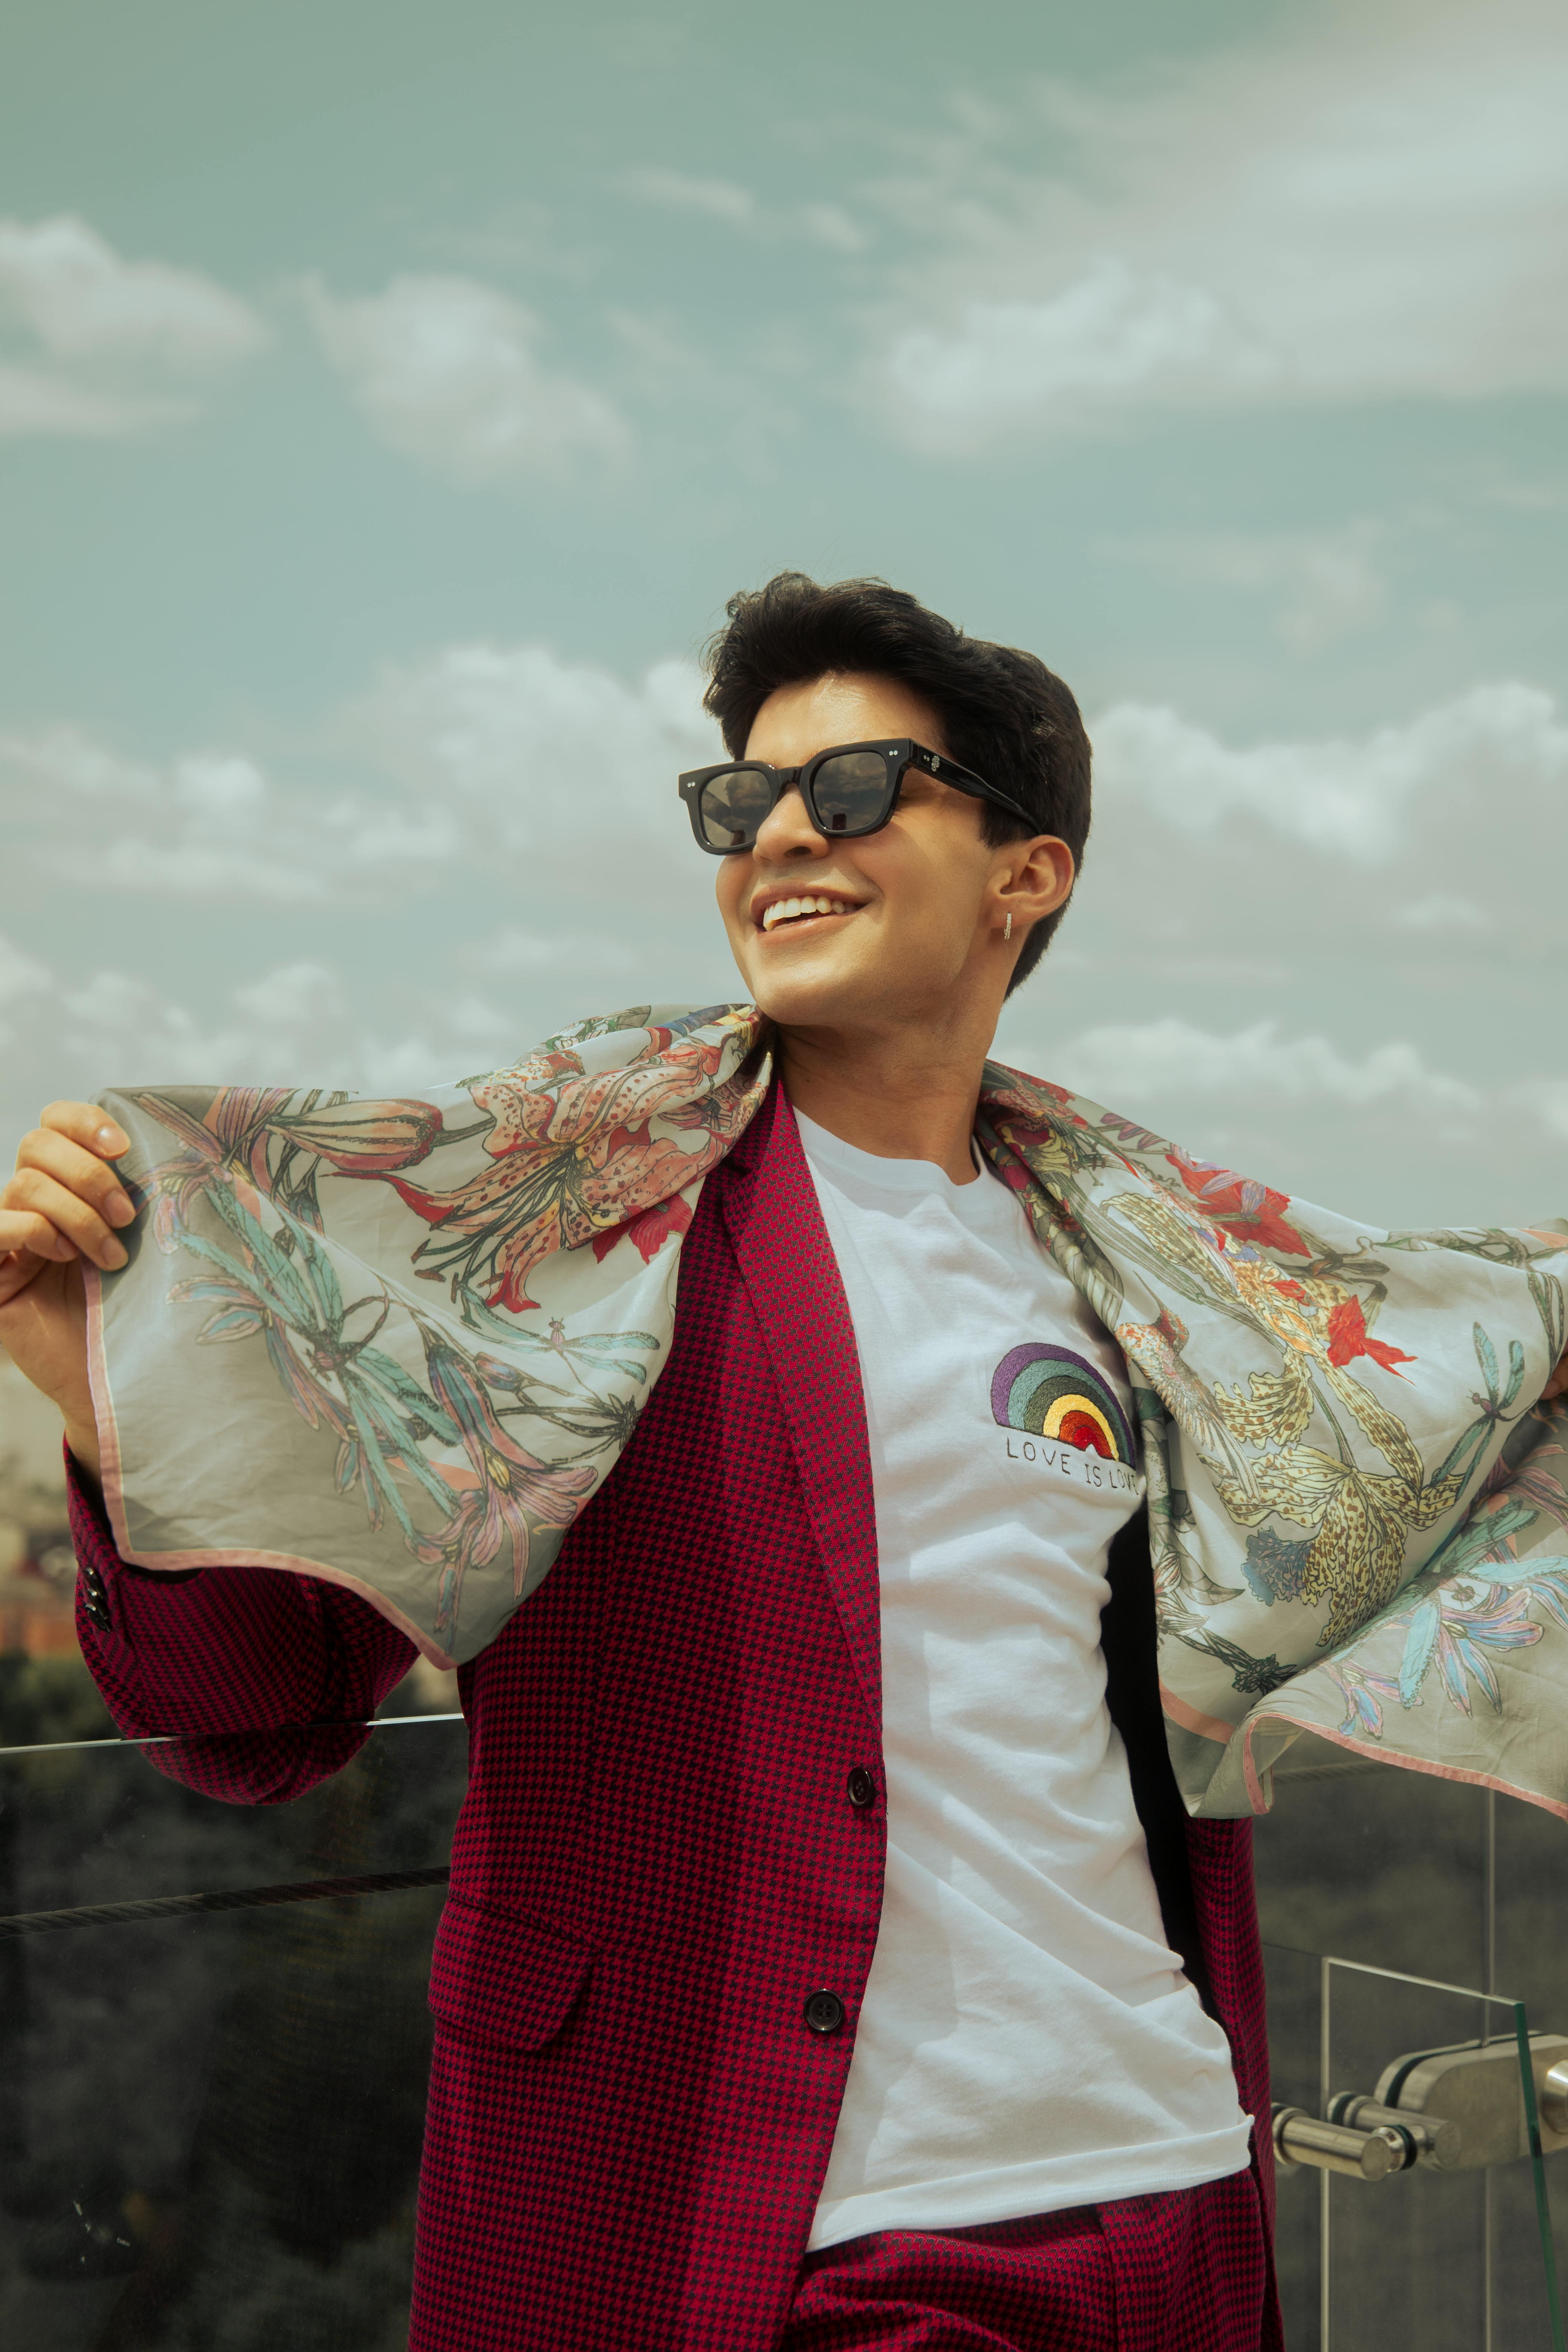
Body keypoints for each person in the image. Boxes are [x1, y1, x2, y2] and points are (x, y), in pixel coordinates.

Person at [3, 574, 1565, 2352]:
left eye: (851, 790)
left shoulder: (1152, 1277)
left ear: (1024, 873)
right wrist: (101, 1396)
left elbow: (1445, 1397)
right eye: (738, 802)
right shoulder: (570, 1244)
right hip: (779, 2235)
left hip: (1170, 2190)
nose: (774, 842)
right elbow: (259, 1718)